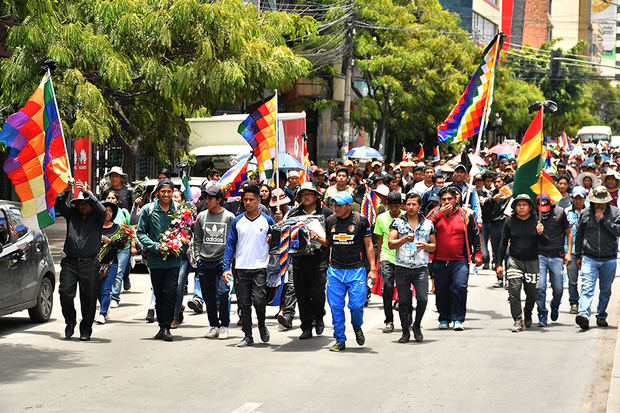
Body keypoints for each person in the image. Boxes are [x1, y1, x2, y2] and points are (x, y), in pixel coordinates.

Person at [311, 191, 377, 352]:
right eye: (334, 205)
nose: (336, 208)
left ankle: (357, 326)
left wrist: (373, 269)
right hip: (335, 271)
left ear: (349, 206)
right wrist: (317, 238)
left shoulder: (360, 220)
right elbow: (329, 242)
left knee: (356, 306)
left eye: (339, 205)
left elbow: (369, 245)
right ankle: (340, 339)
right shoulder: (330, 220)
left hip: (356, 270)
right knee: (336, 307)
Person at [222, 183, 275, 348]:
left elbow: (276, 244)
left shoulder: (268, 220)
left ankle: (261, 324)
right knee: (243, 303)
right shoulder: (237, 221)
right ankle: (247, 335)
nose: (248, 203)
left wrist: (273, 239)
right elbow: (230, 245)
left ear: (259, 200)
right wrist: (225, 268)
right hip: (241, 268)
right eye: (245, 200)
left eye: (251, 199)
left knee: (259, 300)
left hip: (260, 267)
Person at [56, 180, 106, 341]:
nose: (83, 205)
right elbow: (58, 202)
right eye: (80, 204)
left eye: (86, 203)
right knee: (65, 293)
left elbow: (102, 209)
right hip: (70, 263)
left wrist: (87, 193)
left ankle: (86, 329)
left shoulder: (98, 218)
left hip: (90, 264)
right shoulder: (72, 215)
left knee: (89, 299)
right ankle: (70, 321)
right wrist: (66, 190)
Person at [427, 186, 482, 331]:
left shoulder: (466, 214)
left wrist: (478, 254)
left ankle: (458, 319)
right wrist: (439, 215)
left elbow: (476, 235)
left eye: (449, 199)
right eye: (443, 199)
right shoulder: (433, 213)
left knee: (460, 287)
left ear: (456, 199)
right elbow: (424, 228)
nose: (446, 202)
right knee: (441, 290)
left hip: (460, 261)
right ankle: (444, 318)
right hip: (439, 260)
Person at [137, 179, 185, 342]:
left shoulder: (180, 210)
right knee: (159, 293)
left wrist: (178, 246)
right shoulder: (148, 210)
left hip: (174, 260)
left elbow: (186, 232)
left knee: (170, 291)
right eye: (163, 191)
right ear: (157, 193)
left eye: (169, 191)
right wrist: (156, 246)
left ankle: (166, 327)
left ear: (173, 193)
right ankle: (161, 327)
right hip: (155, 260)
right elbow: (141, 233)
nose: (166, 194)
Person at [284, 182, 333, 339]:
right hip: (299, 260)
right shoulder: (293, 214)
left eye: (309, 193)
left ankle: (319, 316)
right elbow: (285, 234)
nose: (306, 196)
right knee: (302, 294)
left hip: (319, 260)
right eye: (303, 194)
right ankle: (306, 326)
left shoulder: (326, 213)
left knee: (318, 293)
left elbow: (331, 237)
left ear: (316, 196)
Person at [388, 192, 435, 343]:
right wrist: (403, 240)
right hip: (402, 267)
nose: (411, 207)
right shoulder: (397, 222)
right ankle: (404, 331)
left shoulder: (428, 224)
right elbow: (390, 243)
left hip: (421, 268)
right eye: (408, 204)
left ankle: (417, 325)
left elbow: (434, 246)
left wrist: (426, 246)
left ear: (420, 206)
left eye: (414, 204)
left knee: (422, 298)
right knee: (403, 301)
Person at [574, 186, 620, 330]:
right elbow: (579, 235)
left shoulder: (615, 212)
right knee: (587, 287)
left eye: (602, 202)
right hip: (589, 257)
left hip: (609, 258)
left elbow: (618, 231)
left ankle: (601, 315)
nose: (599, 205)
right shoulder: (586, 212)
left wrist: (604, 221)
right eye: (596, 202)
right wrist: (578, 255)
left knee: (605, 290)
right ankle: (584, 315)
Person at [194, 183, 236, 339]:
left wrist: (230, 261)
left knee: (224, 293)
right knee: (208, 295)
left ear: (219, 199)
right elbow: (197, 239)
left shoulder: (229, 217)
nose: (207, 201)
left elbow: (233, 240)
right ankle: (214, 325)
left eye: (210, 198)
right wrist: (198, 257)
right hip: (205, 261)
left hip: (222, 262)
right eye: (205, 198)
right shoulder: (201, 216)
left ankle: (224, 325)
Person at [496, 195, 543, 332]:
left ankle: (527, 311)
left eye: (524, 204)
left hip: (532, 262)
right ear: (515, 207)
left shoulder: (536, 221)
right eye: (518, 205)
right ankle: (518, 320)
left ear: (530, 207)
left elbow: (546, 242)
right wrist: (499, 264)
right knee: (514, 292)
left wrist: (541, 233)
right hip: (515, 261)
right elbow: (503, 243)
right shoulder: (509, 222)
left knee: (532, 293)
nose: (521, 207)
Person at [535, 193, 572, 327]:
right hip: (540, 255)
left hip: (557, 256)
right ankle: (542, 314)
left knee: (558, 289)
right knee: (540, 287)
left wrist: (568, 253)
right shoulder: (534, 215)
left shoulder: (560, 213)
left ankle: (555, 305)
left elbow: (569, 232)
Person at [374, 191, 403, 333]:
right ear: (387, 205)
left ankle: (407, 315)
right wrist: (378, 261)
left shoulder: (406, 216)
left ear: (400, 205)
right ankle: (389, 320)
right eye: (391, 206)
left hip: (403, 258)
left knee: (405, 290)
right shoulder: (381, 218)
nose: (394, 209)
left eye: (397, 206)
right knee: (388, 287)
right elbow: (379, 241)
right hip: (387, 256)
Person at [96, 202, 126, 325]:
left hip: (111, 263)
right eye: (105, 210)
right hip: (95, 264)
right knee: (97, 290)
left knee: (106, 289)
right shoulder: (95, 227)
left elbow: (121, 244)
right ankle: (105, 307)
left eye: (110, 211)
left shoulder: (117, 228)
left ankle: (102, 313)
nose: (108, 213)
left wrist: (110, 241)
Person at [105, 191, 136, 308]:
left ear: (117, 201)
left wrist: (132, 245)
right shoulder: (102, 212)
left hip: (123, 248)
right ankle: (105, 295)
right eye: (108, 197)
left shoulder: (123, 212)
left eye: (113, 198)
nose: (110, 199)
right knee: (107, 272)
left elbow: (131, 228)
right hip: (108, 247)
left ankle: (115, 297)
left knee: (118, 272)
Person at [483, 174, 510, 287]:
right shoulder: (491, 194)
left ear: (504, 182)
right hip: (494, 225)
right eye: (496, 182)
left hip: (506, 225)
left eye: (499, 182)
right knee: (497, 252)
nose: (497, 184)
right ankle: (499, 278)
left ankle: (509, 277)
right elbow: (484, 205)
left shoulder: (509, 194)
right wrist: (492, 200)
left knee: (508, 253)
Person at [565, 186, 587, 315]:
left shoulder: (590, 211)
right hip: (571, 251)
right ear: (571, 198)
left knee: (586, 280)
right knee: (572, 280)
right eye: (575, 198)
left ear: (585, 198)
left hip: (587, 251)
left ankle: (584, 304)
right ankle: (574, 302)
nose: (578, 201)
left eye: (580, 198)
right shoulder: (567, 212)